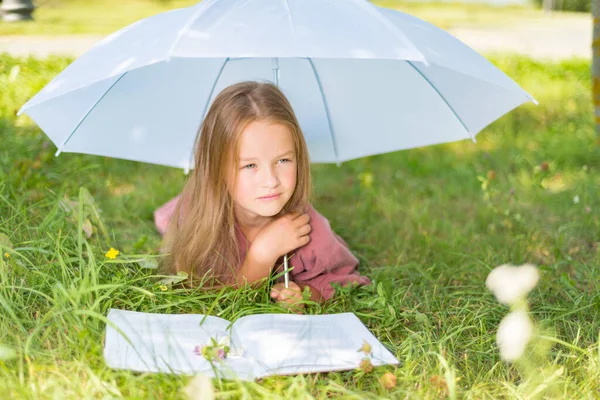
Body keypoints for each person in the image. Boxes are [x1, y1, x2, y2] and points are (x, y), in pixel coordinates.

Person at [155, 81, 370, 311]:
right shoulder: (200, 223)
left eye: (283, 160)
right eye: (249, 166)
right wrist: (262, 256)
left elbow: (344, 281)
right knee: (173, 218)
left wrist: (309, 295)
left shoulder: (307, 230)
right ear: (216, 169)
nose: (271, 181)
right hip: (202, 205)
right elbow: (214, 300)